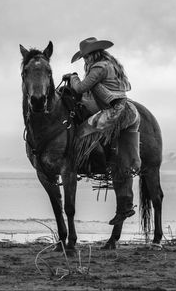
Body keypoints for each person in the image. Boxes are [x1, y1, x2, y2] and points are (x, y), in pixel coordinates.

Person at [64, 37, 141, 224]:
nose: (84, 61)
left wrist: (72, 77)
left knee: (82, 134)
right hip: (128, 110)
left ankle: (95, 167)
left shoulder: (99, 67)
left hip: (115, 111)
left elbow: (81, 88)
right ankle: (126, 206)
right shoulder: (111, 65)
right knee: (123, 160)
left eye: (85, 57)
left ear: (92, 55)